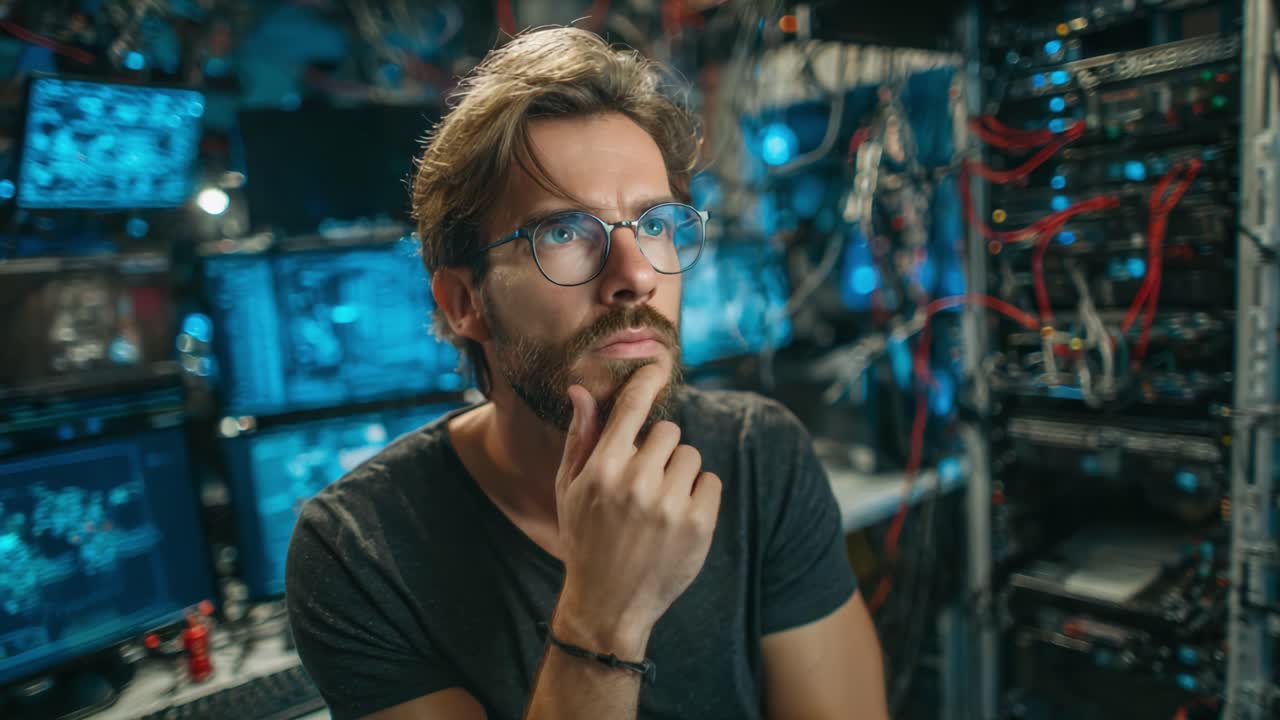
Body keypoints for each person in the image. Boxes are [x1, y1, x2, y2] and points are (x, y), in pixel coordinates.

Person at [286, 26, 889, 720]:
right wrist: (602, 618)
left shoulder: (759, 457)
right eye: (565, 233)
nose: (635, 276)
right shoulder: (358, 552)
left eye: (656, 224)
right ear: (463, 303)